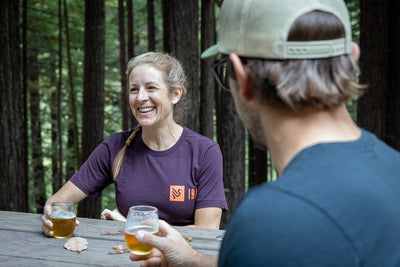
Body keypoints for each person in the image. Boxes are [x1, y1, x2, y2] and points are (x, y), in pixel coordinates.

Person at [129, 0, 400, 266]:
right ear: (352, 58)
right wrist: (195, 260)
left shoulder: (274, 220)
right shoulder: (393, 170)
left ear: (241, 77)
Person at [41, 52, 228, 237]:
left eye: (151, 88)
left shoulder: (204, 152)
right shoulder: (115, 147)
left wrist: (134, 226)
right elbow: (56, 203)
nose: (140, 98)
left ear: (175, 94)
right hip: (128, 256)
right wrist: (50, 217)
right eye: (134, 89)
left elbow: (207, 231)